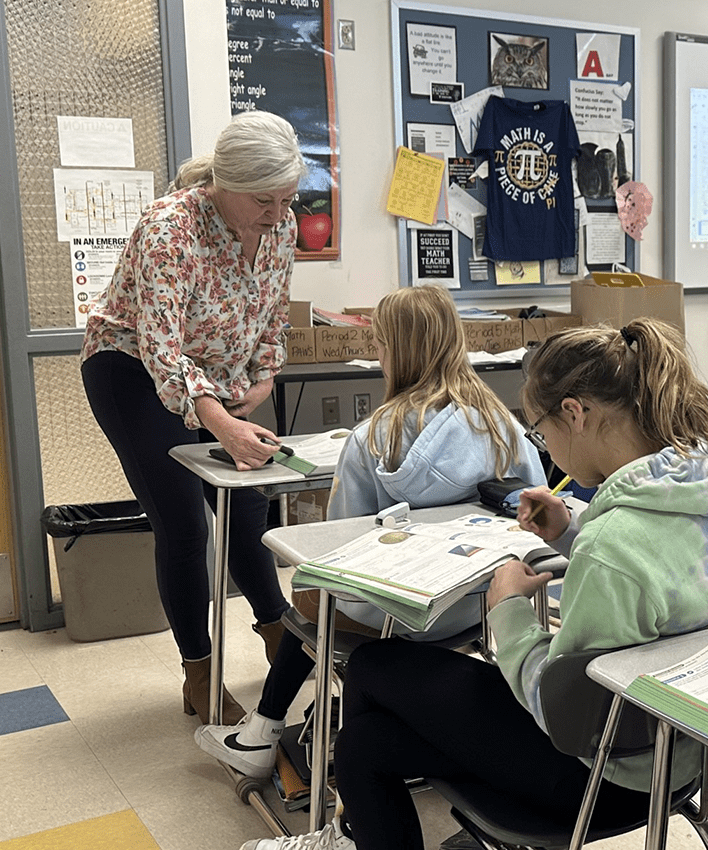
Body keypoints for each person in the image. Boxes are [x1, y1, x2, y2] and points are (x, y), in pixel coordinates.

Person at [241, 318, 708, 850]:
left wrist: (507, 609)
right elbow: (657, 582)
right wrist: (571, 531)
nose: (545, 445)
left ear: (575, 414)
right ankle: (354, 834)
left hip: (600, 773)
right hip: (680, 745)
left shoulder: (614, 543)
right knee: (367, 742)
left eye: (541, 429)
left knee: (370, 672)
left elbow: (559, 711)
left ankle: (351, 834)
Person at [193, 284, 545, 777]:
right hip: (483, 609)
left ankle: (262, 731)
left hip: (397, 616)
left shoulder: (373, 438)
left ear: (394, 353)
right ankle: (275, 728)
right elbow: (535, 518)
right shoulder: (505, 426)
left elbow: (340, 550)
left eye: (379, 345)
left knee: (308, 591)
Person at [81, 110, 306, 724]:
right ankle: (198, 673)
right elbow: (162, 348)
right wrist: (220, 422)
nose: (279, 214)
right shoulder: (170, 228)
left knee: (247, 513)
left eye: (289, 200)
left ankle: (277, 633)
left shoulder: (280, 226)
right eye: (265, 201)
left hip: (220, 374)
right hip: (132, 371)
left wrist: (263, 378)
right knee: (185, 524)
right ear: (222, 185)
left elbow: (273, 310)